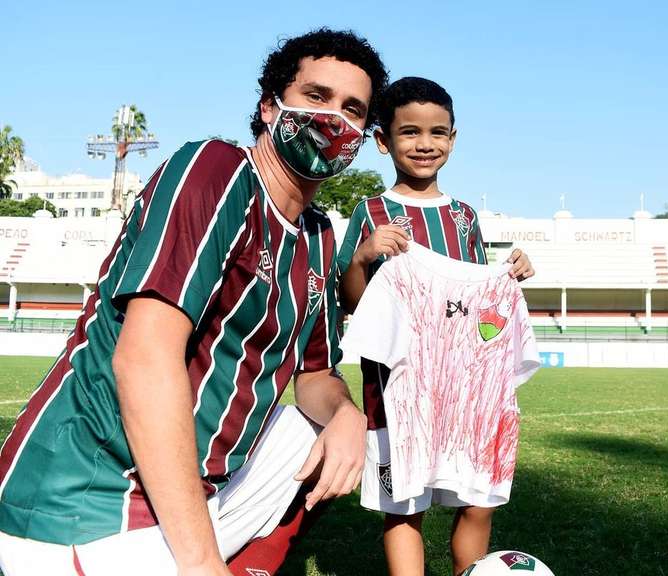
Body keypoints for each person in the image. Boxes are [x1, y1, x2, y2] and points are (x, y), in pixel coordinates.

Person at [0, 28, 388, 576]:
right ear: (270, 106)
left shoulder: (319, 233)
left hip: (192, 495)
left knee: (327, 434)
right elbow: (143, 359)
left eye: (353, 110)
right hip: (90, 497)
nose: (333, 121)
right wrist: (201, 561)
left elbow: (317, 375)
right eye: (317, 97)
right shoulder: (217, 170)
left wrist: (346, 414)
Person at [337, 76, 535, 576]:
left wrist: (511, 274)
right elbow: (353, 301)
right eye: (409, 132)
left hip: (467, 385)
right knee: (404, 502)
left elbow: (475, 297)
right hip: (400, 385)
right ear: (382, 140)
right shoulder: (372, 212)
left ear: (453, 138)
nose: (425, 144)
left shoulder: (464, 216)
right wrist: (363, 257)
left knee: (480, 499)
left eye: (438, 132)